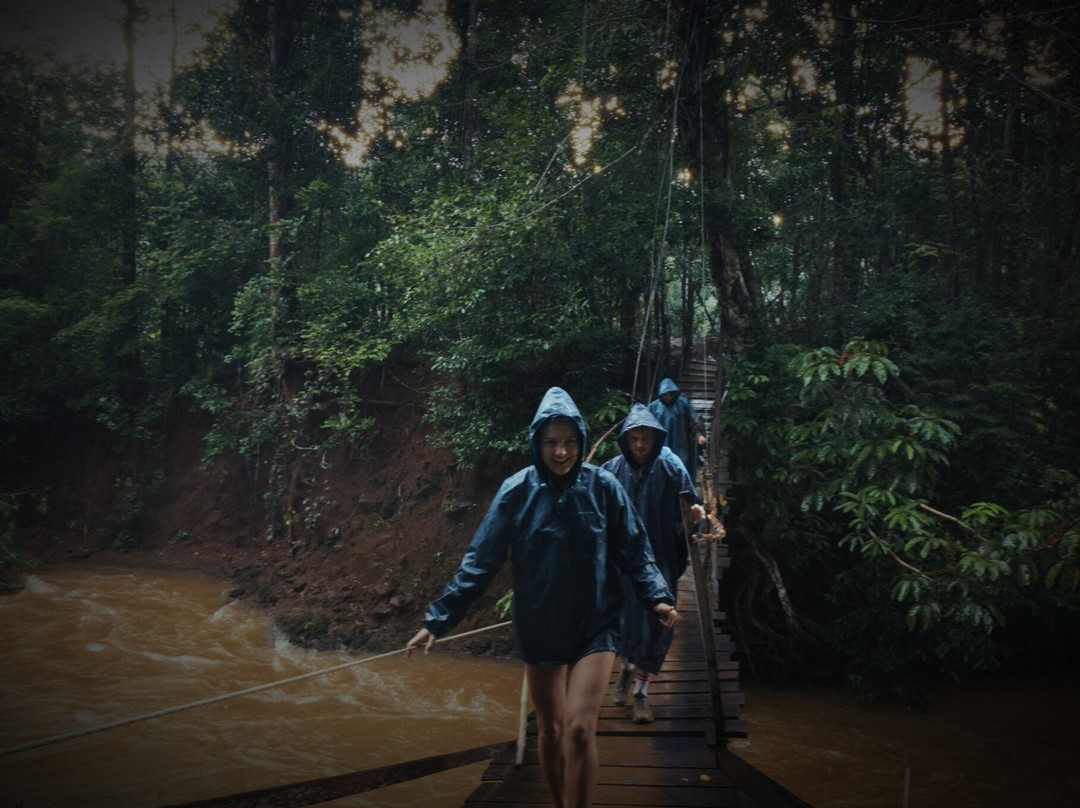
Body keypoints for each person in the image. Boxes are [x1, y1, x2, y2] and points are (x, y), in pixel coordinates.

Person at [405, 386, 677, 808]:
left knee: (579, 730)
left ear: (581, 441)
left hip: (597, 622)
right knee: (550, 730)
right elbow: (480, 561)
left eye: (569, 442)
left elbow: (635, 550)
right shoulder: (517, 491)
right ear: (536, 442)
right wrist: (437, 621)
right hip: (539, 623)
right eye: (551, 442)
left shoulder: (603, 487)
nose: (562, 452)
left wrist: (656, 595)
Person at [601, 404, 705, 723]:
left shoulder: (672, 470)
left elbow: (689, 511)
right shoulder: (610, 471)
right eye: (635, 438)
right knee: (625, 622)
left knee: (657, 626)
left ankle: (641, 694)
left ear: (656, 439)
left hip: (660, 561)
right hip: (623, 565)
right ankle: (626, 670)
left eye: (646, 437)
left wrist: (695, 517)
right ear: (626, 439)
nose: (641, 445)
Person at [647, 377, 707, 480]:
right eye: (665, 395)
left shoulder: (683, 403)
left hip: (680, 443)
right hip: (660, 442)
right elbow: (645, 422)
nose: (668, 397)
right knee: (661, 466)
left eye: (670, 394)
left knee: (681, 466)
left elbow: (693, 418)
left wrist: (699, 434)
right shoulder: (654, 407)